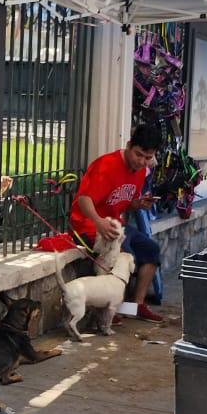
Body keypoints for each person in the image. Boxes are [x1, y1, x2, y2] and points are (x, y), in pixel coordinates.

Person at [69, 124, 165, 324]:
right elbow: (83, 199)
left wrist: (138, 204)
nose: (142, 162)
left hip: (115, 223)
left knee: (151, 250)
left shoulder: (141, 171)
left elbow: (123, 201)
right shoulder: (106, 166)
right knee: (124, 253)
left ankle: (136, 306)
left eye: (148, 158)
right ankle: (106, 310)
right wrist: (98, 222)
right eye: (138, 155)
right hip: (87, 224)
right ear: (129, 145)